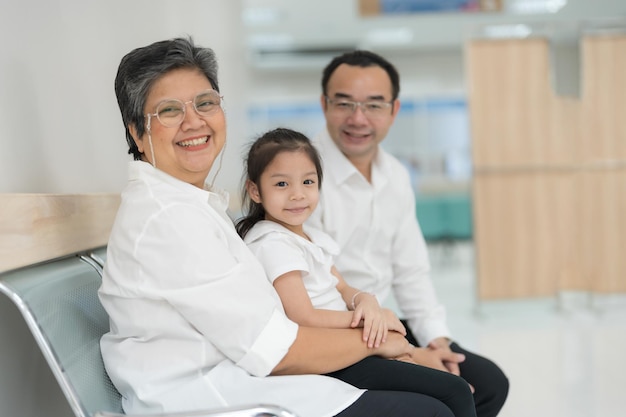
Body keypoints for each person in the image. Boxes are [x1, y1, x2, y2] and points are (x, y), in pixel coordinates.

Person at [98, 37, 459, 417]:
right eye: (169, 110)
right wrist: (379, 340)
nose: (194, 122)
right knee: (434, 407)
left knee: (448, 393)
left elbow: (400, 272)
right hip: (214, 398)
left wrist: (390, 329)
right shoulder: (169, 219)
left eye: (205, 103)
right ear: (137, 132)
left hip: (253, 374)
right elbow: (275, 350)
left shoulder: (191, 204)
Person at [306, 50, 510, 417]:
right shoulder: (302, 176)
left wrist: (437, 340)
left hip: (383, 324)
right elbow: (315, 292)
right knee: (448, 396)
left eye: (373, 105)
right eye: (344, 103)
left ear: (394, 111)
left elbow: (411, 271)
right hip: (334, 337)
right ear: (324, 104)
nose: (358, 118)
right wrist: (410, 353)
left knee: (489, 383)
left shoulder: (395, 175)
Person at [236, 127, 477, 417]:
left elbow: (341, 286)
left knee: (451, 386)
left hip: (350, 343)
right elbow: (302, 316)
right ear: (255, 190)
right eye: (282, 184)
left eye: (308, 181)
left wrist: (364, 300)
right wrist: (367, 325)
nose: (297, 194)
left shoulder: (309, 236)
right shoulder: (272, 242)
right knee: (455, 391)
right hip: (334, 359)